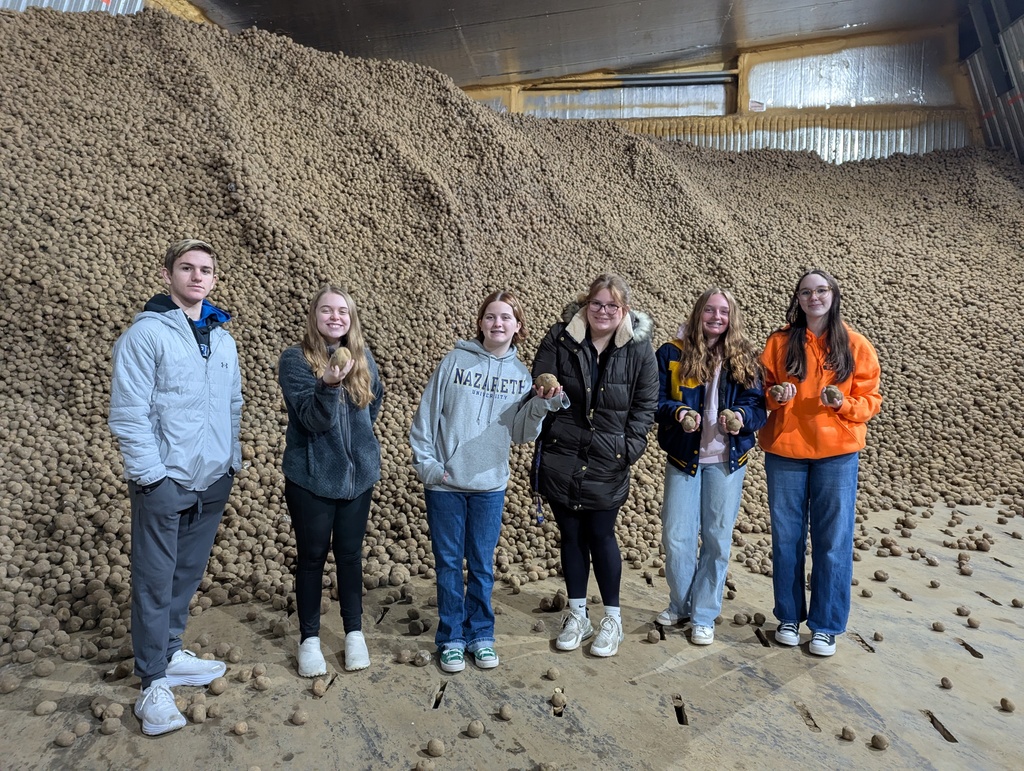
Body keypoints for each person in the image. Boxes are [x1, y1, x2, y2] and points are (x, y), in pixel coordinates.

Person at [109, 239, 241, 736]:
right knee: (154, 578)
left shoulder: (222, 338)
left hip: (212, 480)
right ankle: (152, 684)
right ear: (168, 274)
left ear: (214, 278)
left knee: (186, 574)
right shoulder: (146, 335)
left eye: (205, 269)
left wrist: (233, 462)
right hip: (165, 479)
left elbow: (233, 405)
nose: (197, 276)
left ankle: (170, 651)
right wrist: (150, 476)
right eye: (187, 268)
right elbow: (129, 413)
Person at [410, 290, 566, 673]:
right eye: (491, 316)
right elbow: (427, 416)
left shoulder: (520, 375)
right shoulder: (455, 361)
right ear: (481, 322)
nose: (498, 323)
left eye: (506, 317)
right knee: (448, 564)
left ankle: (481, 635)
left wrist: (542, 406)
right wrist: (428, 467)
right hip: (445, 483)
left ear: (518, 327)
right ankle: (450, 638)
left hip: (490, 486)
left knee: (481, 565)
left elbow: (521, 434)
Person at [532, 273, 658, 657]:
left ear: (625, 311)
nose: (604, 312)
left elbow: (645, 406)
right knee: (570, 537)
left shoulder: (639, 350)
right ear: (587, 305)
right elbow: (539, 375)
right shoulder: (561, 337)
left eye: (612, 306)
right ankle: (578, 614)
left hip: (608, 460)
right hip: (562, 457)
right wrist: (543, 387)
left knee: (601, 536)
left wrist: (627, 450)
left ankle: (613, 620)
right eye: (597, 304)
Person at [760, 269, 881, 657]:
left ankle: (826, 625)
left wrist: (842, 403)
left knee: (833, 542)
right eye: (806, 292)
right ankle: (789, 618)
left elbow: (871, 401)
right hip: (786, 452)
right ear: (797, 299)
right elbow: (757, 392)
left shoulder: (856, 345)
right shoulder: (778, 343)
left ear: (833, 295)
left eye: (821, 290)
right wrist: (776, 395)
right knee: (787, 538)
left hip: (837, 455)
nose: (814, 297)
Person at [278, 284, 384, 676]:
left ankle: (354, 633)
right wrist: (327, 384)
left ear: (351, 318)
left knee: (351, 557)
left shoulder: (364, 357)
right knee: (311, 559)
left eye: (342, 311)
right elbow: (313, 419)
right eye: (327, 311)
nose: (335, 317)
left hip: (358, 479)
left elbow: (374, 404)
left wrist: (360, 446)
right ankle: (309, 639)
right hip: (312, 479)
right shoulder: (294, 360)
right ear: (314, 316)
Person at [654, 288, 766, 645]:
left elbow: (757, 403)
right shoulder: (672, 352)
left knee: (717, 539)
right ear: (698, 312)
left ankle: (704, 614)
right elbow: (655, 400)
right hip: (684, 457)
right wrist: (680, 412)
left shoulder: (744, 356)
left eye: (724, 311)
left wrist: (741, 416)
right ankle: (681, 604)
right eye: (710, 310)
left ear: (732, 317)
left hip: (726, 462)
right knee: (676, 536)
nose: (717, 317)